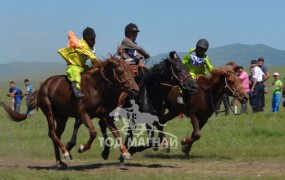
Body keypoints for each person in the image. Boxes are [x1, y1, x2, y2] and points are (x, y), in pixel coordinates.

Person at [114, 23, 150, 121]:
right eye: (133, 33)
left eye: (136, 33)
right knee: (129, 84)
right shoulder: (126, 41)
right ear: (128, 33)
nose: (135, 34)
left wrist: (143, 64)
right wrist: (148, 54)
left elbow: (140, 56)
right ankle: (118, 109)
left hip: (135, 67)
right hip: (126, 66)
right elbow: (140, 50)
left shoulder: (135, 44)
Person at [58, 27, 99, 98]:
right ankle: (76, 89)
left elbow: (93, 61)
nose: (94, 41)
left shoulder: (92, 48)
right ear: (86, 39)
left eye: (94, 39)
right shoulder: (81, 45)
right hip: (74, 66)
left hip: (82, 67)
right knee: (75, 73)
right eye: (92, 39)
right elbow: (93, 58)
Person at [178, 39, 214, 104]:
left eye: (203, 49)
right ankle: (181, 96)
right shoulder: (191, 53)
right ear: (197, 47)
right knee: (188, 81)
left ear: (205, 50)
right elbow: (184, 61)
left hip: (201, 73)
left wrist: (214, 72)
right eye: (200, 48)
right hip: (190, 72)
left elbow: (209, 67)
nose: (201, 50)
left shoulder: (205, 57)